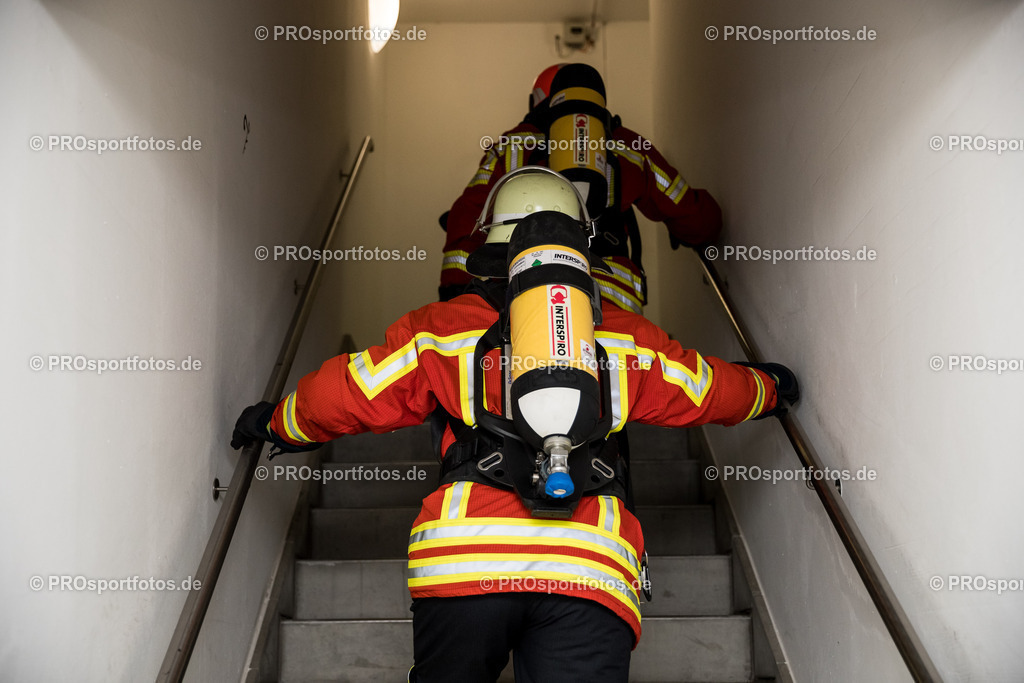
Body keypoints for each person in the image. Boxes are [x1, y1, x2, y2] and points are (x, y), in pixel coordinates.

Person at [232, 167, 798, 682]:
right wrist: (771, 388)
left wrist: (275, 423)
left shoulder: (442, 330)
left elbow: (344, 396)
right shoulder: (624, 337)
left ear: (493, 246)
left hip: (464, 561)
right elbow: (707, 390)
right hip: (590, 568)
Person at [439, 63, 724, 314]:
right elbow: (691, 211)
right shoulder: (628, 147)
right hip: (614, 294)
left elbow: (465, 219)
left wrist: (455, 293)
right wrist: (698, 229)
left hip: (526, 284)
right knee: (621, 370)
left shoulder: (511, 145)